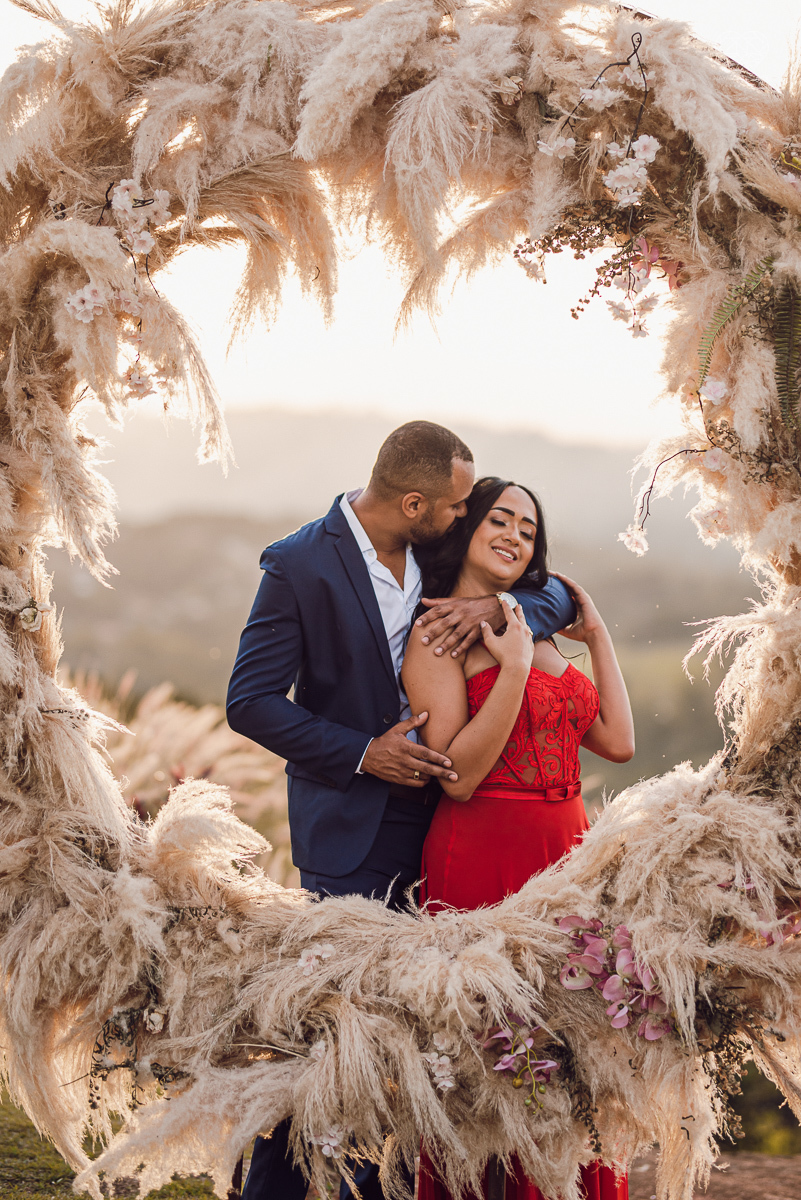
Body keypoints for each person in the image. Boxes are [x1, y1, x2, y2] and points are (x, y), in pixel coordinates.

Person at [226, 425, 577, 1200]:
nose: (468, 516)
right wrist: (362, 751)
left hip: (448, 833)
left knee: (416, 1045)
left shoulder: (435, 554)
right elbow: (247, 702)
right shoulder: (299, 564)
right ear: (414, 502)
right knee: (334, 1039)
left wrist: (493, 601)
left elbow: (557, 592)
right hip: (352, 831)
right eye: (457, 506)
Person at [402, 476, 634, 1200]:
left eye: (527, 530)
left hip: (569, 856)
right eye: (498, 520)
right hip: (482, 853)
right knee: (488, 1061)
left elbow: (618, 742)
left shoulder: (535, 626)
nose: (513, 536)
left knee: (575, 1054)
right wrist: (509, 669)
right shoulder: (437, 635)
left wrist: (594, 637)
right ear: (465, 529)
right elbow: (459, 777)